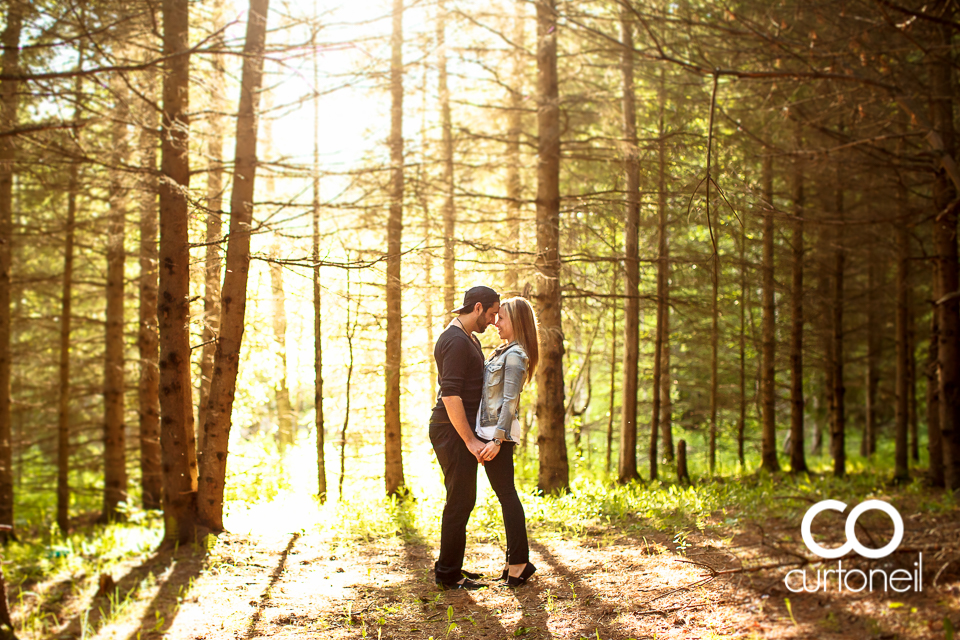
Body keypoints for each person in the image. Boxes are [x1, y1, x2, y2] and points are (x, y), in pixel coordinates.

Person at [430, 285, 500, 590]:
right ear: (478, 308)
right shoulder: (456, 341)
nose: (494, 321)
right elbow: (451, 395)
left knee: (462, 498)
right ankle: (447, 574)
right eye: (493, 313)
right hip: (451, 429)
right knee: (459, 499)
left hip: (458, 429)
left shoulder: (467, 338)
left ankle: (451, 566)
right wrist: (471, 441)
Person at [475, 296, 538, 587]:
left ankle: (519, 563)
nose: (495, 322)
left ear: (517, 321)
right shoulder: (504, 351)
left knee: (507, 496)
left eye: (501, 318)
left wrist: (497, 441)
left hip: (497, 436)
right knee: (506, 496)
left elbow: (510, 401)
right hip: (491, 434)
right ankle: (516, 560)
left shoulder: (515, 355)